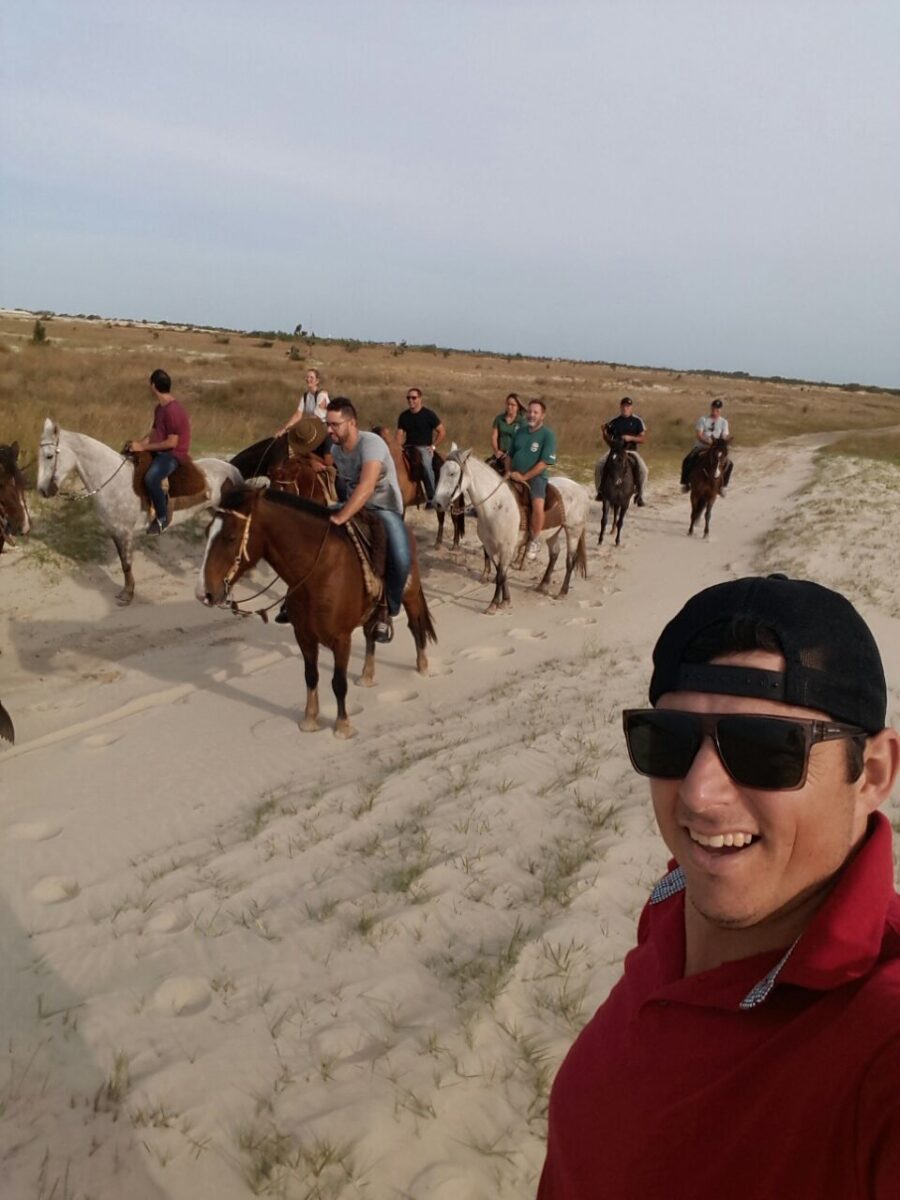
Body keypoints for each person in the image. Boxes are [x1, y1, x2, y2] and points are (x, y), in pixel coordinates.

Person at [537, 574, 900, 1200]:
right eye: (669, 741)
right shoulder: (675, 898)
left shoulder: (879, 1044)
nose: (699, 795)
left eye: (766, 748)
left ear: (870, 774)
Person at [325, 397, 410, 644]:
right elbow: (348, 488)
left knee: (402, 558)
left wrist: (341, 516)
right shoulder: (335, 450)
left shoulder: (371, 443)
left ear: (352, 423)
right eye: (327, 424)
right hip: (354, 504)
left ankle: (387, 609)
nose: (329, 430)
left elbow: (367, 486)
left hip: (384, 507)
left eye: (334, 425)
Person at [127, 368, 191, 534]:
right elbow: (154, 434)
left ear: (153, 386)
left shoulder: (173, 411)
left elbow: (171, 443)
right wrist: (137, 445)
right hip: (161, 450)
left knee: (151, 478)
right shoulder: (160, 408)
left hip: (173, 454)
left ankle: (162, 517)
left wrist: (143, 447)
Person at [508, 399, 558, 561]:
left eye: (536, 412)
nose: (531, 415)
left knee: (537, 504)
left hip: (536, 478)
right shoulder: (519, 431)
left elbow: (544, 463)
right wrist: (509, 471)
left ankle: (535, 539)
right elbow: (509, 455)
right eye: (529, 411)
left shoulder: (548, 435)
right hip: (514, 474)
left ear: (542, 416)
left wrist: (524, 477)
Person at [396, 387, 445, 506]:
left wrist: (433, 446)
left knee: (426, 466)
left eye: (414, 398)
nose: (410, 400)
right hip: (408, 447)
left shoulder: (429, 415)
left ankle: (432, 497)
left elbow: (442, 431)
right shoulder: (404, 416)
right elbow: (399, 434)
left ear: (420, 399)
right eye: (408, 398)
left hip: (424, 448)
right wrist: (398, 447)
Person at [598, 396, 648, 506]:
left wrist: (630, 438)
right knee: (600, 464)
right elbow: (608, 437)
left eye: (628, 406)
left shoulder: (637, 421)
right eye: (624, 406)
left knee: (643, 470)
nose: (625, 408)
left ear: (631, 407)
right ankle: (601, 491)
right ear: (620, 407)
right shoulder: (614, 421)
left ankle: (640, 495)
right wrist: (604, 433)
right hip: (615, 451)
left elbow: (643, 439)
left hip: (631, 451)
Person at [681, 397, 733, 493]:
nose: (715, 411)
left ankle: (723, 486)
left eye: (717, 409)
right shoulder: (703, 419)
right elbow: (699, 435)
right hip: (702, 446)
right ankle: (686, 483)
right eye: (713, 408)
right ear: (711, 408)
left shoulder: (723, 422)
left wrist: (722, 442)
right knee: (688, 459)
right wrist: (707, 441)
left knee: (729, 464)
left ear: (720, 410)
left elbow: (724, 435)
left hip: (716, 448)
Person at [277, 369, 330, 436]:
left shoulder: (322, 395)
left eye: (311, 377)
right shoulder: (305, 396)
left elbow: (317, 418)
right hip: (312, 428)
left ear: (317, 381)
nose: (308, 379)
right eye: (307, 377)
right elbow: (298, 415)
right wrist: (285, 429)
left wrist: (300, 425)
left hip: (324, 429)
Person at [490, 393, 527, 461]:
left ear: (518, 407)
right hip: (500, 454)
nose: (509, 407)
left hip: (515, 455)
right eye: (508, 404)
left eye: (513, 405)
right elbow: (494, 437)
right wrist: (496, 451)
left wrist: (510, 454)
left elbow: (523, 441)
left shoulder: (522, 422)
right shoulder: (499, 419)